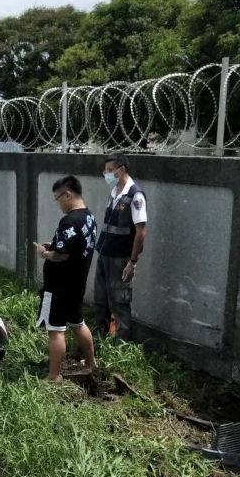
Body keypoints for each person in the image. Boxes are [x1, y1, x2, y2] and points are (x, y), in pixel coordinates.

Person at [35, 176, 98, 381]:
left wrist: (45, 254)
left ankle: (54, 376)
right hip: (76, 283)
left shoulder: (69, 220)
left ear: (67, 194)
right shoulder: (88, 217)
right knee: (78, 323)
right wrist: (53, 244)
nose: (58, 203)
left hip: (58, 285)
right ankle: (91, 362)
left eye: (57, 198)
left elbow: (62, 255)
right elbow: (72, 246)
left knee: (55, 330)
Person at [93, 154, 147, 341]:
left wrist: (132, 262)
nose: (106, 174)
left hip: (120, 258)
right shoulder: (115, 191)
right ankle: (99, 338)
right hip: (104, 253)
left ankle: (121, 345)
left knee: (119, 303)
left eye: (109, 171)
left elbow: (140, 231)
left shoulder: (135, 195)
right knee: (100, 300)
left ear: (121, 169)